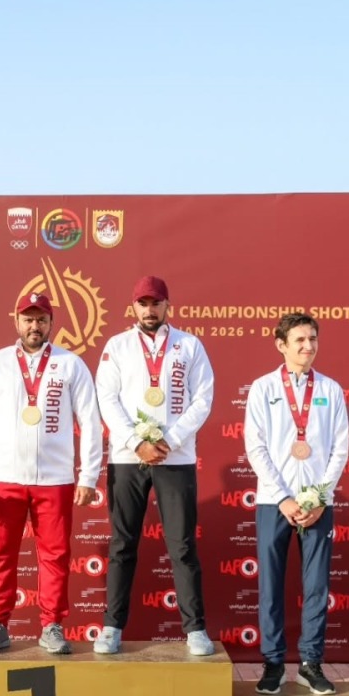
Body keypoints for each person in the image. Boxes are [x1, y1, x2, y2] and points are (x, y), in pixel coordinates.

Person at [0, 292, 103, 655]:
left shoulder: (71, 365)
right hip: (2, 478)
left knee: (55, 555)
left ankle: (52, 625)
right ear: (16, 321)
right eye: (28, 319)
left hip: (55, 479)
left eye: (41, 319)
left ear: (51, 323)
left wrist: (88, 476)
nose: (34, 326)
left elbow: (90, 421)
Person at [92, 276, 216, 656]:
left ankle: (195, 629)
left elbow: (202, 399)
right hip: (128, 457)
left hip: (174, 457)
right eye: (143, 303)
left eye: (156, 303)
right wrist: (136, 442)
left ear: (167, 305)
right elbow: (107, 399)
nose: (150, 310)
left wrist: (169, 441)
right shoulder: (117, 346)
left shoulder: (189, 345)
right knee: (122, 544)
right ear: (133, 307)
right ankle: (112, 627)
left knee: (182, 545)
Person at [243, 312, 349, 695]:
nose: (308, 346)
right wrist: (284, 498)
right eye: (300, 340)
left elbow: (340, 448)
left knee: (317, 586)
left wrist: (319, 497)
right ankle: (273, 662)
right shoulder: (262, 387)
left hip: (318, 504)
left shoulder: (331, 389)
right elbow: (255, 446)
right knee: (271, 584)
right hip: (274, 501)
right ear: (281, 345)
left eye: (313, 339)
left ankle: (310, 662)